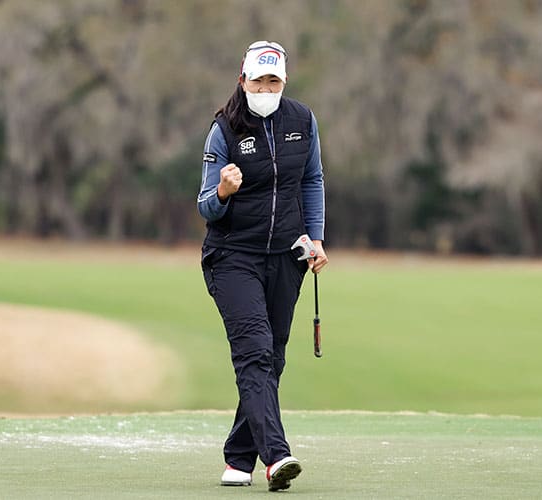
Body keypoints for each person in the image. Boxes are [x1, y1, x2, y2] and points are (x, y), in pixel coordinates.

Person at [197, 40, 328, 492]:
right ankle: (276, 457)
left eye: (274, 80)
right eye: (258, 80)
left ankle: (238, 458)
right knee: (254, 352)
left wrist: (315, 238)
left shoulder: (302, 120)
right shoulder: (225, 128)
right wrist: (223, 193)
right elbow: (205, 207)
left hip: (286, 258)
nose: (265, 88)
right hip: (232, 257)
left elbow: (312, 180)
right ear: (243, 80)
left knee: (270, 359)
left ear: (284, 81)